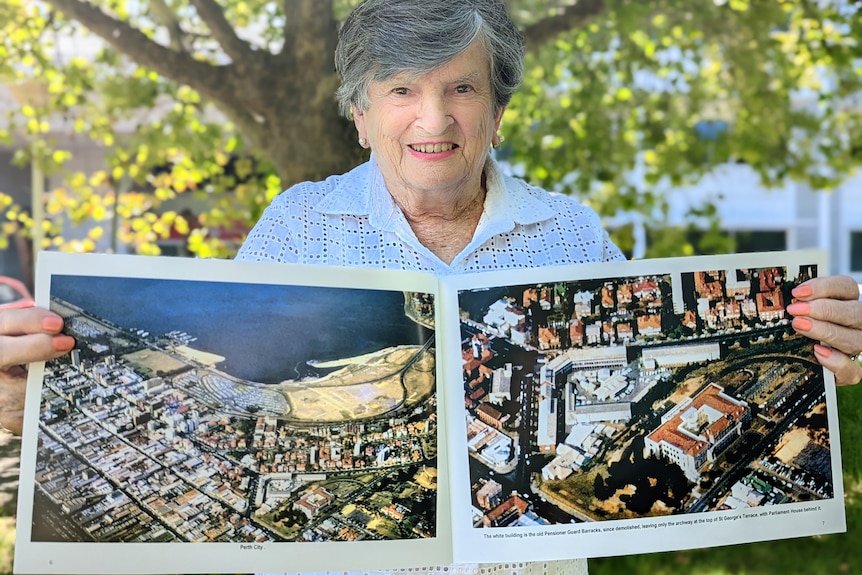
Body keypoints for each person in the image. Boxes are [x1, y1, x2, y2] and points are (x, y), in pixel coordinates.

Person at [1, 1, 861, 574]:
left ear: (497, 110)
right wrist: (22, 400)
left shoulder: (571, 232)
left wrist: (818, 349)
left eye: (462, 88)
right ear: (360, 113)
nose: (435, 118)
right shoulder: (297, 224)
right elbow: (228, 408)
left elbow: (628, 392)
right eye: (402, 90)